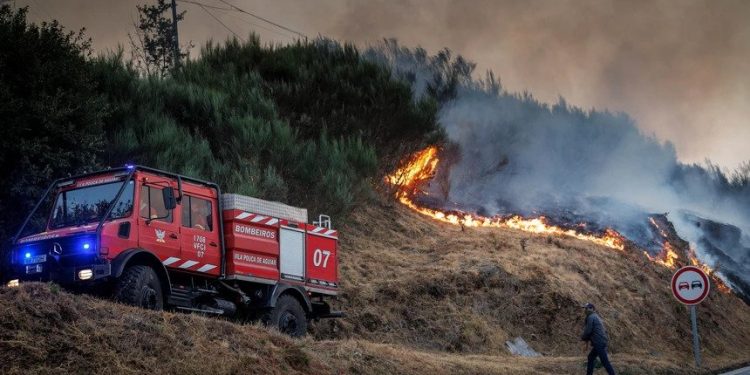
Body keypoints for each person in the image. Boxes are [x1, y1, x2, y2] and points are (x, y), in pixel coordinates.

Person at [581, 303, 616, 375]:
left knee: (604, 361)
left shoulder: (591, 317)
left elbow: (588, 331)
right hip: (600, 341)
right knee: (590, 357)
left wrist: (583, 339)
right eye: (585, 308)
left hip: (598, 342)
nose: (585, 310)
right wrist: (586, 341)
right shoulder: (595, 316)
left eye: (587, 308)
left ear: (592, 309)